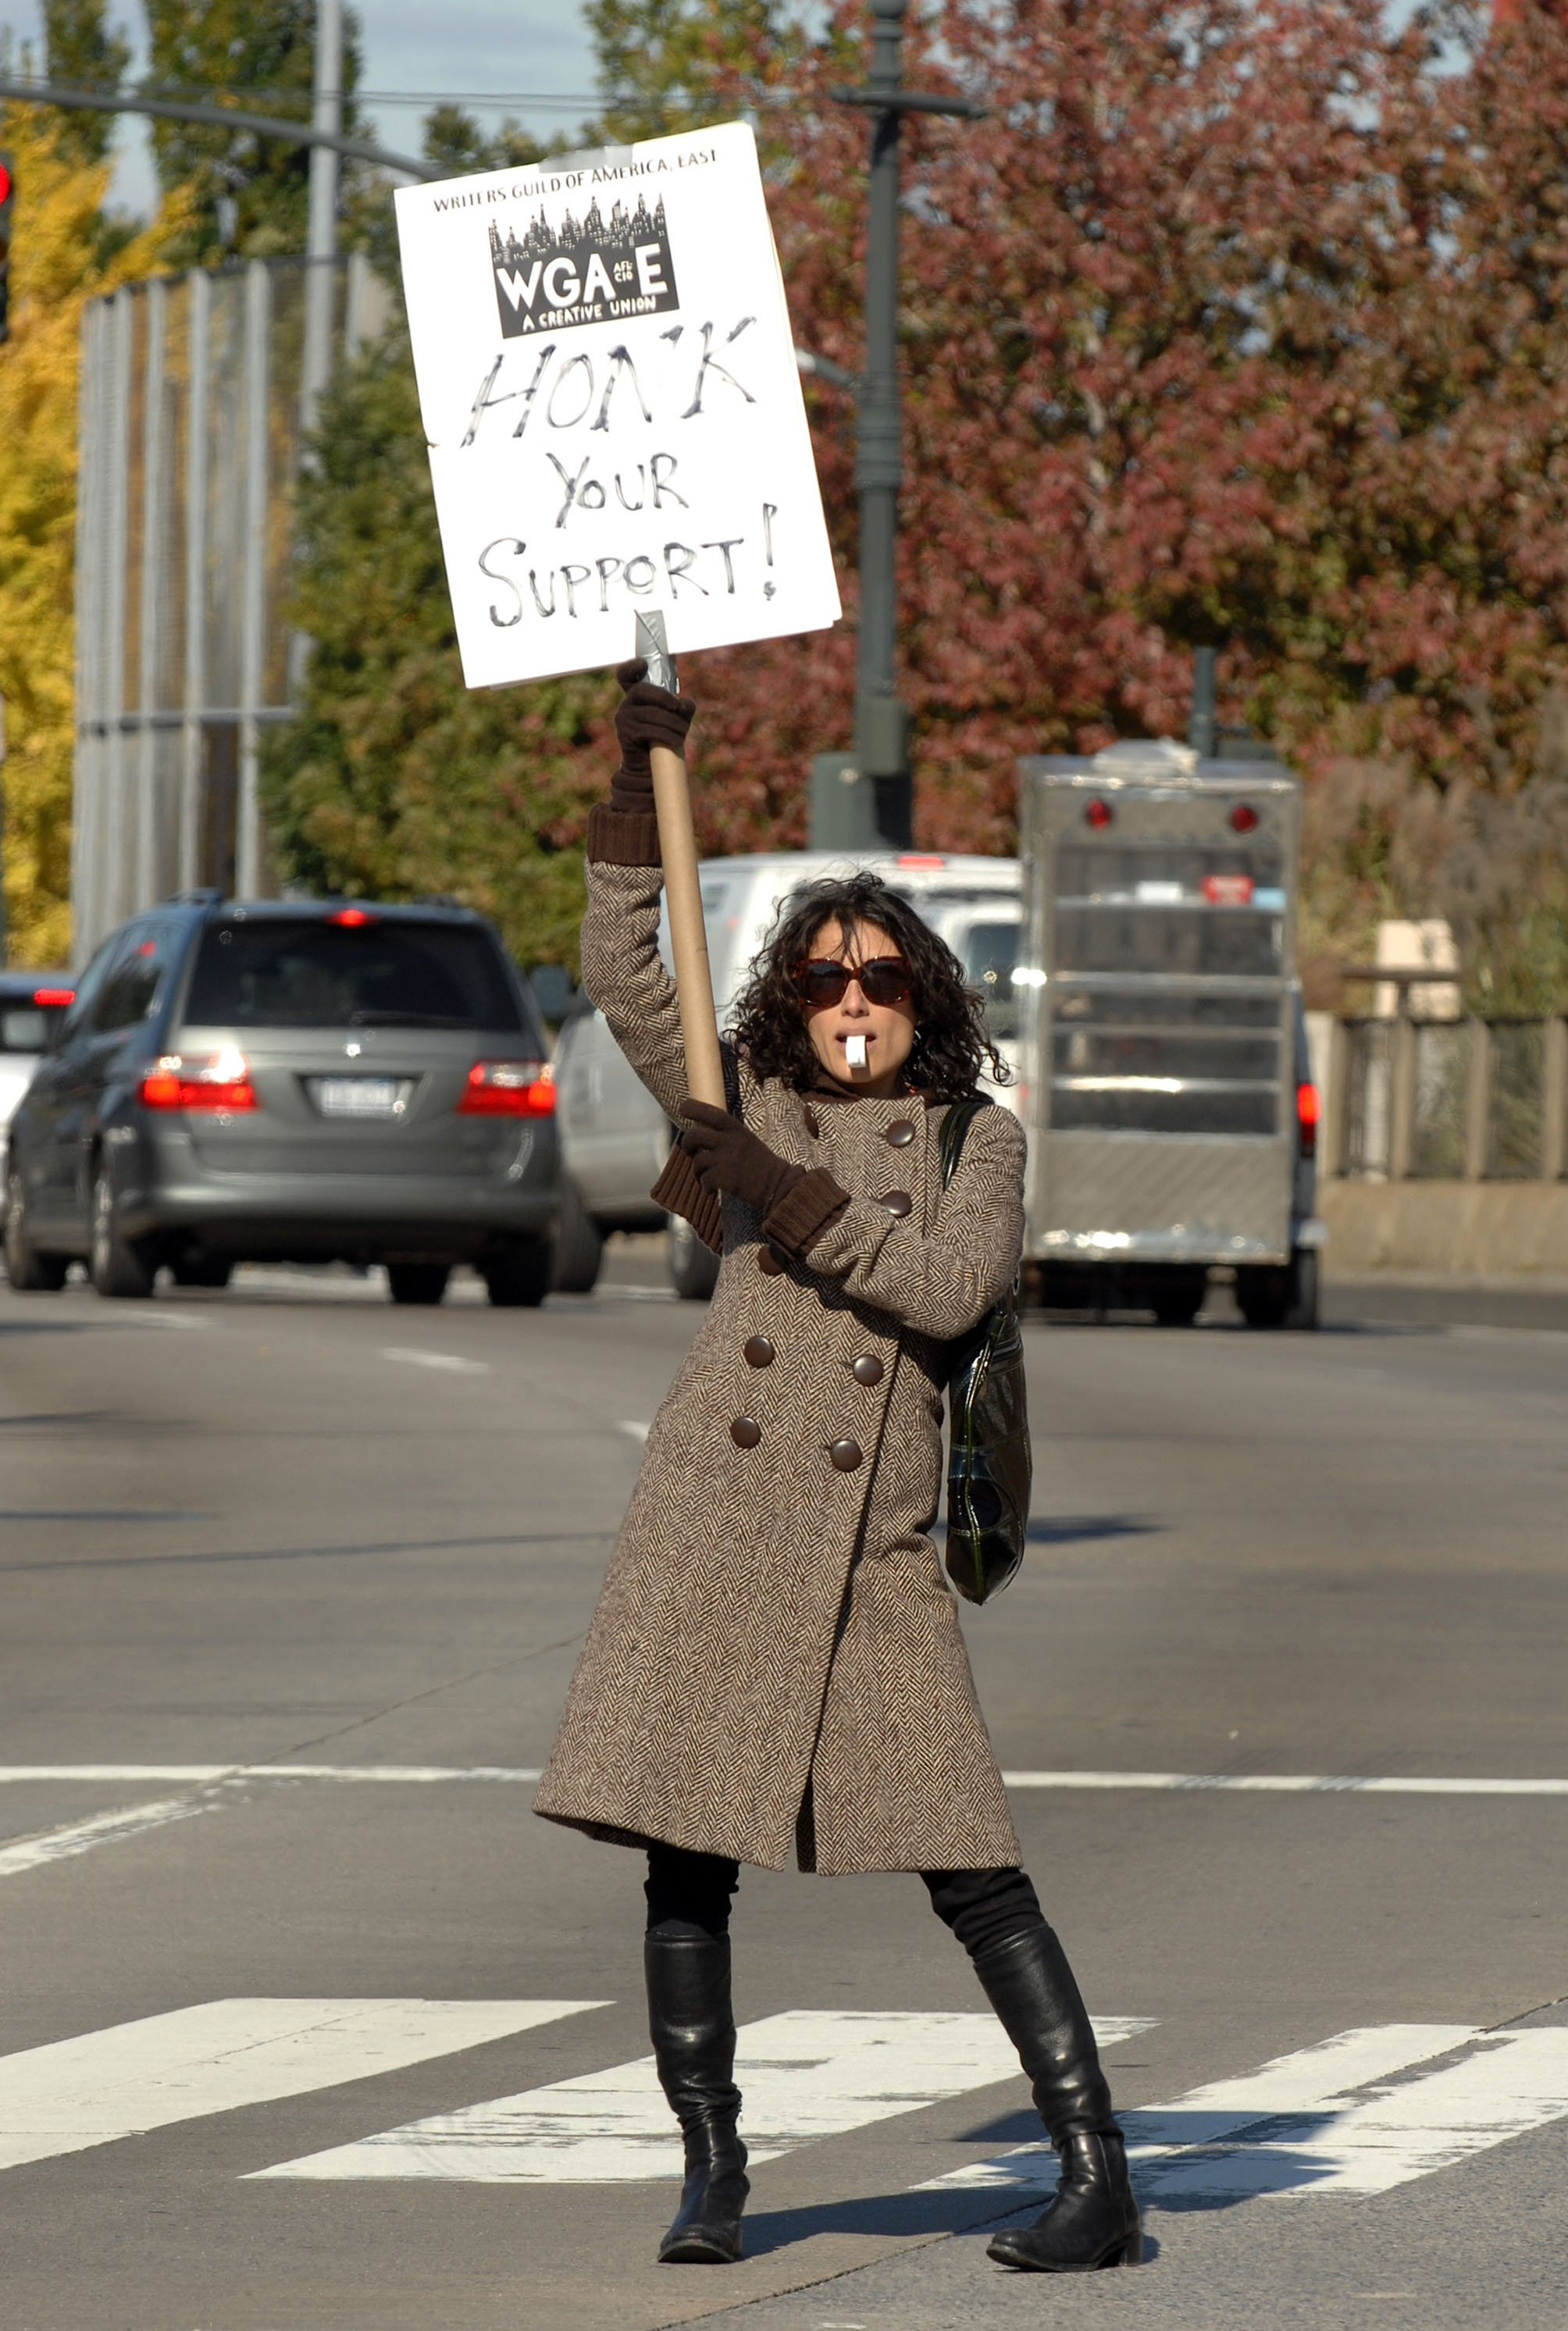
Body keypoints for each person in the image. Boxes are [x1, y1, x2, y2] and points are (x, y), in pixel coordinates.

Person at [534, 664, 1139, 2274]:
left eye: (877, 978)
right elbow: (623, 968)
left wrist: (783, 1200)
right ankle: (713, 2170)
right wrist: (626, 784)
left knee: (972, 1862)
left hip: (873, 1555)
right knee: (684, 1858)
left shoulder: (974, 1138)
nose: (850, 1001)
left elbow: (947, 1294)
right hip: (716, 1525)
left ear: (922, 998)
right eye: (820, 982)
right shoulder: (744, 1101)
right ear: (791, 1004)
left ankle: (1098, 2171)